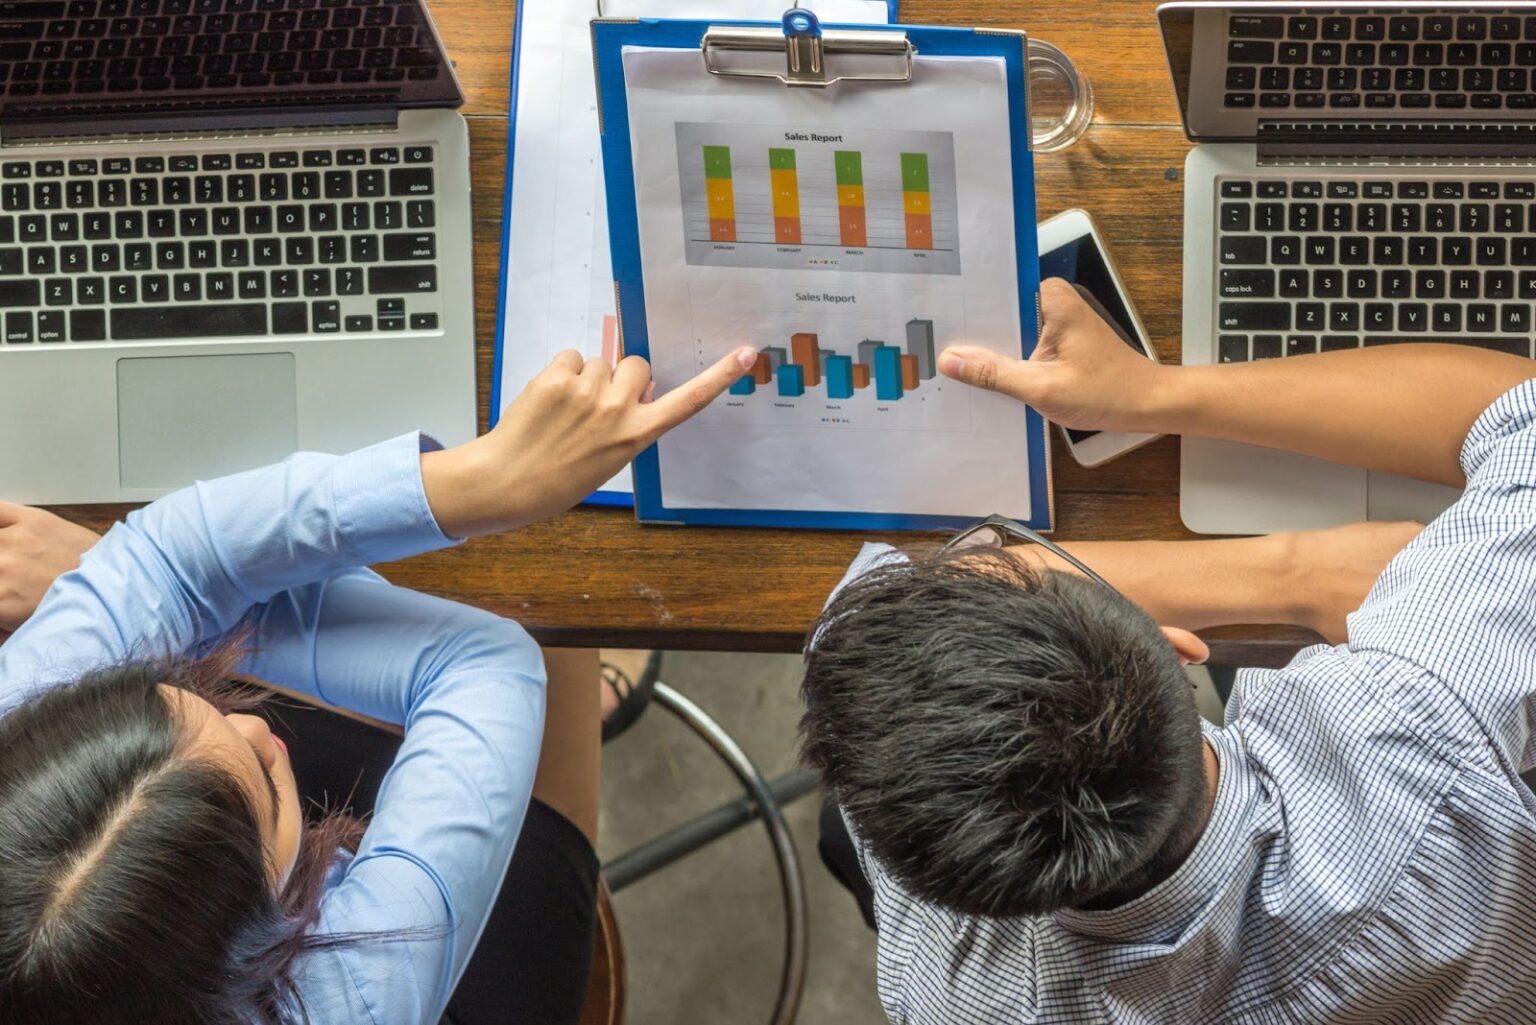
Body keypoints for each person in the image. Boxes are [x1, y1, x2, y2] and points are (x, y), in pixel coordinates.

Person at [801, 277, 1536, 1024]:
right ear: (1180, 647)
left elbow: (861, 611)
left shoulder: (951, 994)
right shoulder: (1413, 730)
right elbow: (1523, 415)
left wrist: (1293, 578)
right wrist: (1156, 399)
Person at [0, 344, 759, 1025]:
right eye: (261, 775)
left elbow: (166, 562)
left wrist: (481, 480)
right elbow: (485, 661)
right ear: (257, 944)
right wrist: (171, 606)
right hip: (480, 979)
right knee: (536, 807)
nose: (259, 731)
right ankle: (571, 729)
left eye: (156, 693)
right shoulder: (352, 996)